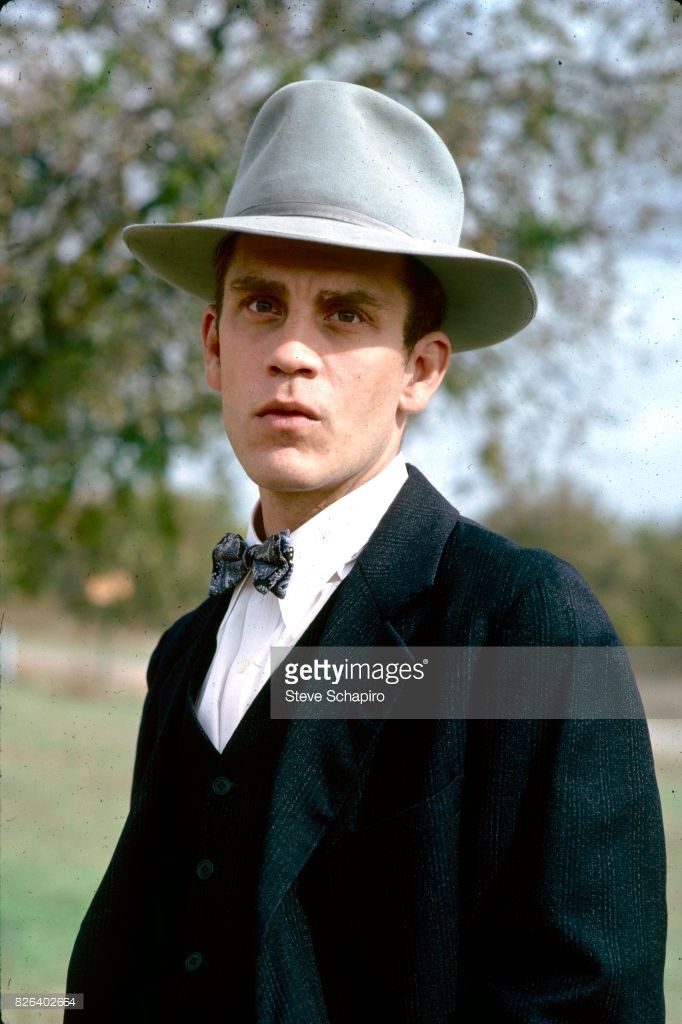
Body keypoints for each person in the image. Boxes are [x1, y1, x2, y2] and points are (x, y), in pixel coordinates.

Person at [65, 80, 666, 1022]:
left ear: (420, 370)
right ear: (215, 345)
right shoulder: (186, 648)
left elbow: (584, 1000)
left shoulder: (523, 622)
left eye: (345, 315)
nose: (292, 353)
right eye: (262, 304)